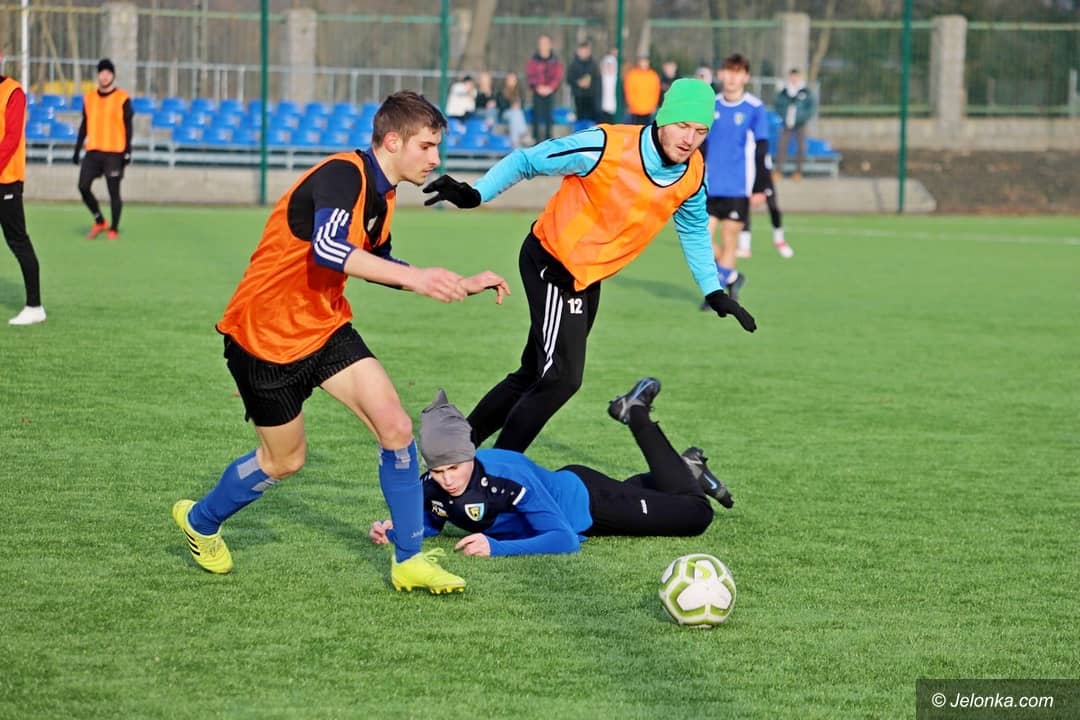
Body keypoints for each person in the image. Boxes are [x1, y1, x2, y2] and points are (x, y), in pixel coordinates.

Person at [171, 91, 511, 595]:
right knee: (284, 461)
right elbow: (329, 248)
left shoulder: (384, 195)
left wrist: (453, 282)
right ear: (392, 142)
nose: (435, 158)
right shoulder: (342, 175)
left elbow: (380, 263)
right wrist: (418, 278)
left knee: (396, 428)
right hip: (263, 339)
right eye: (426, 146)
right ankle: (201, 521)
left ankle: (409, 559)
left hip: (325, 327)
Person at [422, 78, 756, 454]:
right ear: (663, 118)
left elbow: (694, 229)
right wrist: (477, 193)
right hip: (552, 263)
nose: (689, 139)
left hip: (586, 277)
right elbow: (527, 160)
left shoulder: (692, 172)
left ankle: (455, 450)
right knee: (561, 379)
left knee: (534, 373)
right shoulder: (606, 145)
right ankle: (499, 469)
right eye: (682, 125)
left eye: (700, 131)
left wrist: (713, 290)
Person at [369, 380, 733, 557]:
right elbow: (432, 523)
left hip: (593, 504)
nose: (447, 479)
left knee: (695, 514)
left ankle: (635, 411)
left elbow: (563, 539)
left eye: (454, 467)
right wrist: (397, 530)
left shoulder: (508, 478)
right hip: (574, 489)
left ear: (471, 453)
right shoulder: (432, 484)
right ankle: (684, 470)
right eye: (438, 471)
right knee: (668, 497)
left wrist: (496, 547)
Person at [703, 53, 771, 302]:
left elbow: (761, 149)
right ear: (720, 74)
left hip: (738, 188)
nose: (732, 78)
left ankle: (716, 293)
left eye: (737, 72)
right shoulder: (710, 105)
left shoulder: (754, 108)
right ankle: (731, 277)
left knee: (729, 240)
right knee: (701, 241)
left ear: (746, 77)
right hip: (709, 186)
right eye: (728, 71)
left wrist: (760, 187)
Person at [0, 58, 44, 326]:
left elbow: (11, 138)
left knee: (17, 241)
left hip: (6, 181)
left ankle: (35, 306)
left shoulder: (13, 92)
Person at [73, 58, 132, 240]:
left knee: (113, 191)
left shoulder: (122, 98)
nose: (104, 76)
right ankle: (100, 220)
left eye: (108, 73)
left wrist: (128, 151)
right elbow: (84, 125)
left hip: (115, 152)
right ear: (98, 75)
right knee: (83, 186)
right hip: (93, 151)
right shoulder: (89, 98)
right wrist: (77, 149)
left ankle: (114, 228)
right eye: (102, 73)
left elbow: (128, 126)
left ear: (113, 76)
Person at [737, 168, 794, 259]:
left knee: (773, 207)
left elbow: (763, 163)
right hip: (746, 175)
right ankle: (745, 246)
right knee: (744, 208)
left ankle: (779, 240)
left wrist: (760, 188)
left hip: (764, 176)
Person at [773, 68, 816, 181]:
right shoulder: (784, 92)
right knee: (781, 146)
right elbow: (778, 105)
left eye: (796, 76)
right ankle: (778, 171)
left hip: (801, 123)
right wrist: (784, 116)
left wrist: (802, 117)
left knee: (801, 147)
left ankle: (798, 172)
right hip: (786, 123)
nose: (794, 79)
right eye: (792, 76)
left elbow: (811, 107)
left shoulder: (806, 92)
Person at [525, 34, 563, 142]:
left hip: (550, 92)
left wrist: (550, 88)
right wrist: (537, 87)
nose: (543, 45)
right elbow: (530, 75)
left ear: (550, 45)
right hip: (537, 92)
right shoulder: (533, 60)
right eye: (541, 43)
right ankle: (536, 140)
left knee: (549, 116)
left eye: (545, 43)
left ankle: (548, 139)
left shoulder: (555, 61)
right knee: (536, 116)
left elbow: (557, 76)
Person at [566, 40, 600, 124]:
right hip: (577, 97)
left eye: (586, 51)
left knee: (591, 122)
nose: (584, 53)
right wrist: (578, 82)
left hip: (591, 98)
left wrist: (590, 82)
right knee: (578, 121)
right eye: (582, 51)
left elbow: (597, 79)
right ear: (578, 51)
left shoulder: (593, 64)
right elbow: (569, 79)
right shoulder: (573, 64)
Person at [622, 55, 661, 124]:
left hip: (649, 110)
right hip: (635, 110)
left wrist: (653, 105)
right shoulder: (632, 75)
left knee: (647, 128)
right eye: (642, 62)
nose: (644, 64)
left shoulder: (653, 76)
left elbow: (656, 92)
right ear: (638, 62)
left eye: (645, 62)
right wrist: (632, 104)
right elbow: (629, 91)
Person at [497, 72, 530, 147]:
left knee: (516, 114)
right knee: (516, 113)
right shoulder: (501, 91)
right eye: (510, 79)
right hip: (505, 113)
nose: (512, 81)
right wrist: (511, 106)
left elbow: (523, 105)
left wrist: (519, 105)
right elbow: (501, 105)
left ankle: (514, 141)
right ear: (506, 80)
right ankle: (524, 134)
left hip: (516, 114)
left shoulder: (519, 91)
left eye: (513, 79)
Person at [598, 52, 619, 123]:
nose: (609, 68)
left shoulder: (618, 81)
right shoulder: (600, 80)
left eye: (611, 66)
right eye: (607, 65)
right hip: (602, 111)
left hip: (615, 110)